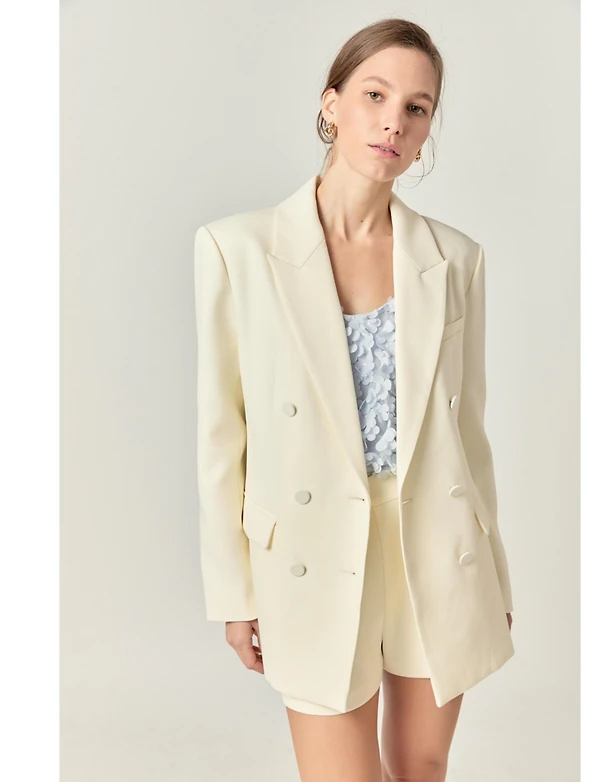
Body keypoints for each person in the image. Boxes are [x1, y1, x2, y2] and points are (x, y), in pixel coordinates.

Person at [194, 17, 514, 782]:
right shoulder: (237, 250)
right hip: (312, 548)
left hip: (433, 545)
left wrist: (494, 575)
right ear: (331, 104)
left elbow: (469, 437)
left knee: (422, 767)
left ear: (427, 130)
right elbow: (220, 437)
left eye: (416, 107)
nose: (393, 121)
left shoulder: (455, 260)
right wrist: (234, 592)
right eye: (375, 95)